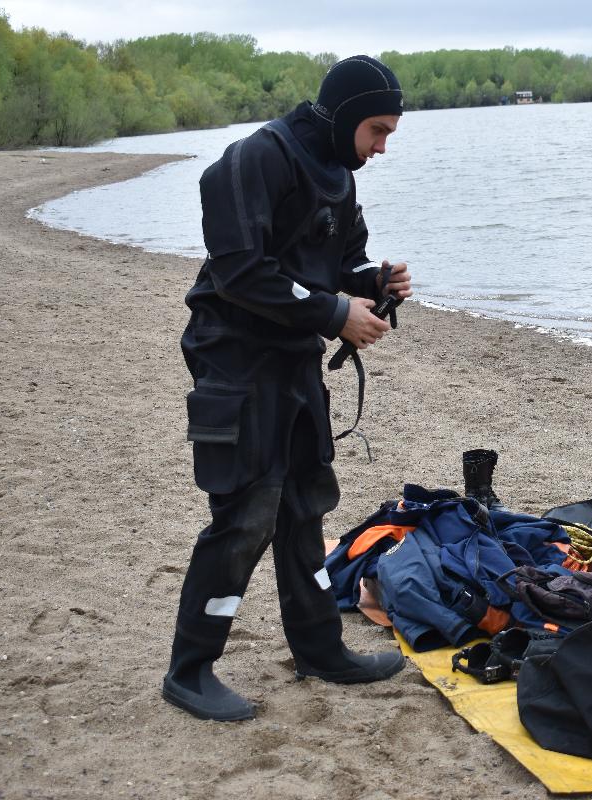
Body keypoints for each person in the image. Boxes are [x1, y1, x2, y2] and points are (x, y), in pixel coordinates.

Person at [162, 55, 413, 721]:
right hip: (234, 362)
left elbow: (339, 262)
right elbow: (243, 272)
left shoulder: (337, 172)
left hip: (294, 363)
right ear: (346, 116)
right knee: (246, 515)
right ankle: (190, 670)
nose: (382, 148)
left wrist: (374, 283)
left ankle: (319, 648)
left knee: (305, 506)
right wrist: (336, 313)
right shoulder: (252, 161)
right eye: (378, 131)